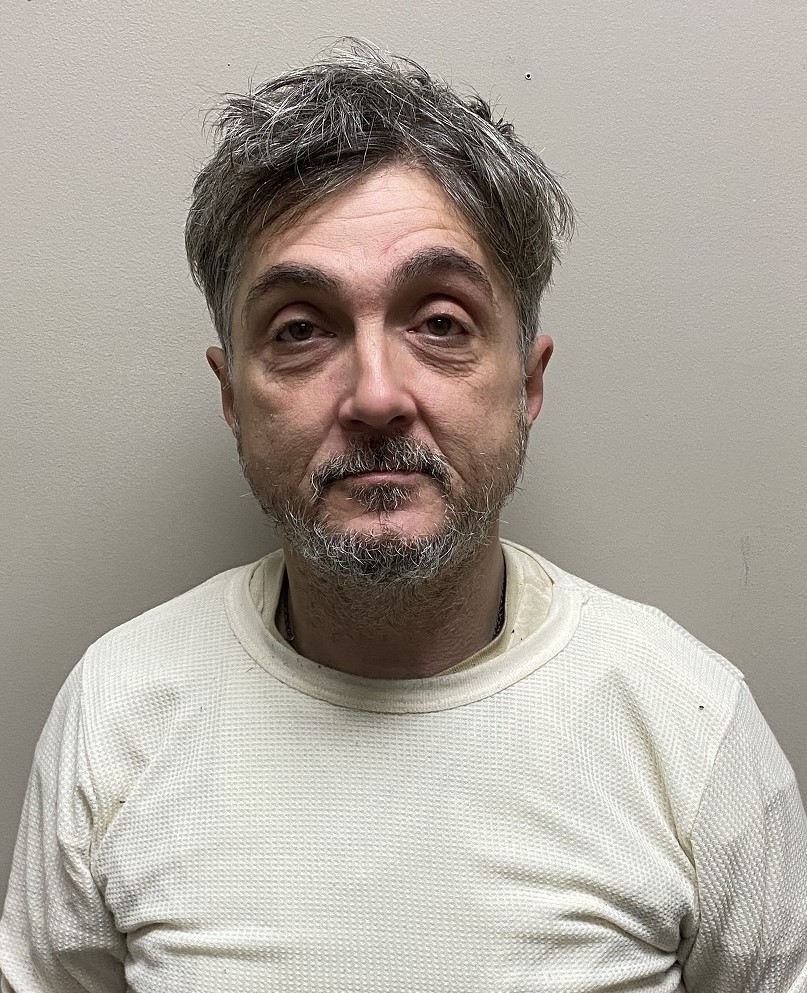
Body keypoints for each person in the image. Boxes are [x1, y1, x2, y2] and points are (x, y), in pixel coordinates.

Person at [1, 38, 805, 993]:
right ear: (231, 396)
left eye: (440, 323)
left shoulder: (687, 721)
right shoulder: (116, 708)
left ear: (526, 383)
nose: (376, 395)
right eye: (300, 329)